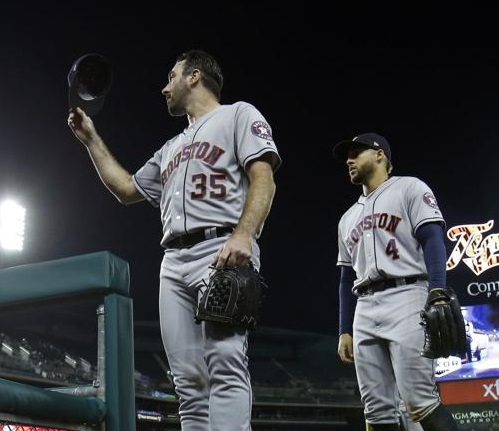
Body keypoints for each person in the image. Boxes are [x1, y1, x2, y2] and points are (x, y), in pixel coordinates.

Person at [68, 49, 281, 430]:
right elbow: (126, 189)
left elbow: (263, 177)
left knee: (225, 363)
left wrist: (244, 235)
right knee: (188, 382)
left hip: (222, 249)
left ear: (194, 76)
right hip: (173, 262)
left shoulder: (238, 114)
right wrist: (91, 140)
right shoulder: (170, 148)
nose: (164, 87)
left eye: (171, 76)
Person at [332, 132, 459, 431]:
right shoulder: (347, 218)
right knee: (376, 411)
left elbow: (433, 240)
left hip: (407, 295)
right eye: (347, 156)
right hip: (364, 305)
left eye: (356, 152)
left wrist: (437, 289)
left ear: (380, 155)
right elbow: (345, 277)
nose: (349, 160)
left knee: (419, 401)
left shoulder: (409, 188)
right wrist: (344, 330)